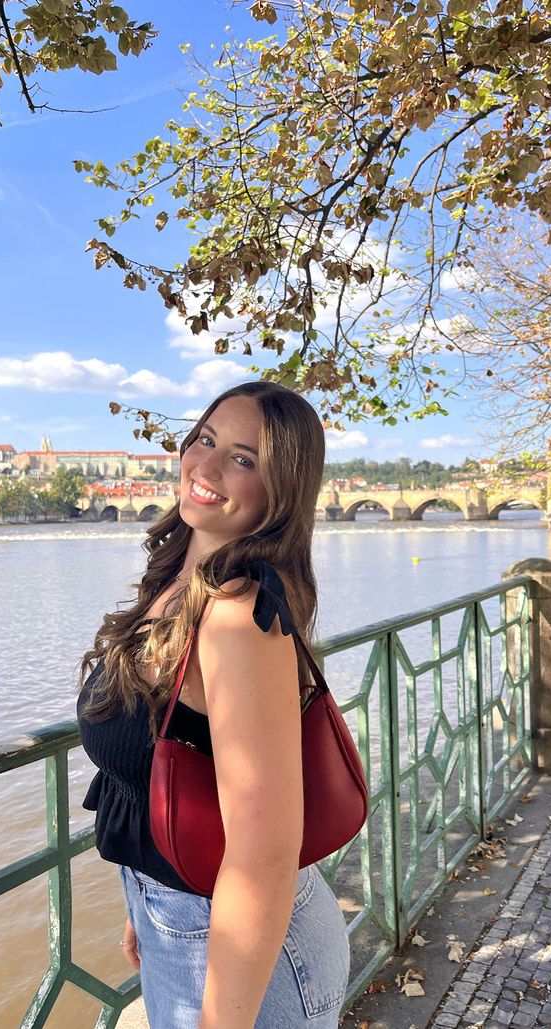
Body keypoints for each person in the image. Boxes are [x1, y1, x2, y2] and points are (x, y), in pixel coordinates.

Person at [78, 380, 350, 1028]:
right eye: (205, 438)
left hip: (234, 947)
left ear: (279, 489)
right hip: (183, 916)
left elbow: (264, 854)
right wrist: (141, 897)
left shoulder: (235, 617)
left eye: (243, 458)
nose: (206, 465)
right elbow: (171, 764)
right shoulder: (178, 579)